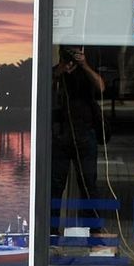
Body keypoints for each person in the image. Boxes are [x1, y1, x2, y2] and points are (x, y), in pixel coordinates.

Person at [50, 45, 105, 206]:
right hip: (60, 134)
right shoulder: (55, 72)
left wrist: (84, 65)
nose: (71, 58)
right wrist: (59, 72)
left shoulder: (86, 72)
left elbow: (101, 87)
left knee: (88, 184)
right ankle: (51, 228)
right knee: (55, 185)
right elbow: (42, 90)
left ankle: (93, 228)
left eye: (75, 53)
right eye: (68, 54)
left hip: (85, 133)